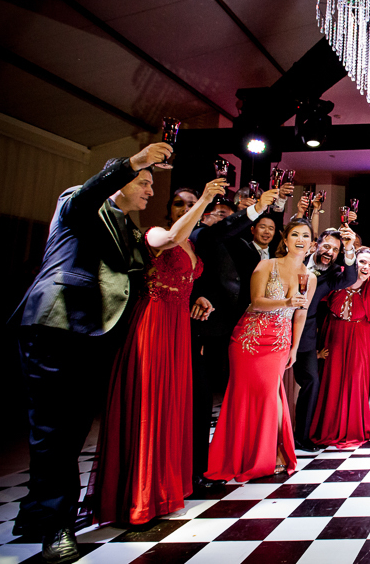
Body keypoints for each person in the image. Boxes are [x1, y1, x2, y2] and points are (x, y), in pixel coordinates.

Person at [10, 144, 170, 562]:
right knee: (54, 429)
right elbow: (87, 197)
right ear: (119, 182)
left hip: (98, 334)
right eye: (144, 182)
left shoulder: (129, 228)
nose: (151, 191)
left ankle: (37, 512)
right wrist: (132, 162)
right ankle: (56, 524)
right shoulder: (78, 201)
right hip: (58, 324)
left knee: (71, 428)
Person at [92, 177, 228, 526]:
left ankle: (165, 488)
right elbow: (169, 240)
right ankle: (139, 497)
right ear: (169, 211)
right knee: (149, 403)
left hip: (179, 325)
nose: (185, 209)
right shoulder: (155, 233)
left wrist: (199, 297)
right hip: (153, 322)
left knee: (172, 405)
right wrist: (204, 201)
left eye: (191, 204)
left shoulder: (192, 246)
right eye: (179, 204)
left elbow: (186, 280)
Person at [207, 219, 315, 481]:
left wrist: (294, 347)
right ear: (285, 239)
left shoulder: (309, 277)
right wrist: (286, 301)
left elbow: (300, 315)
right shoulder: (267, 265)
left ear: (312, 244)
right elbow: (256, 302)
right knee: (243, 397)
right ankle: (241, 454)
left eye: (306, 235)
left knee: (269, 394)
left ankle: (275, 451)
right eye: (295, 234)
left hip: (279, 341)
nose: (300, 239)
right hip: (249, 338)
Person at [189, 190, 279, 491]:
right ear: (205, 217)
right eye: (219, 215)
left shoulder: (244, 247)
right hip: (205, 326)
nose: (226, 221)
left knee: (234, 396)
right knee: (202, 401)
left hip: (238, 328)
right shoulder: (200, 237)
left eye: (229, 216)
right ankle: (198, 467)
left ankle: (236, 454)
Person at [312, 241, 370, 448]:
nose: (366, 267)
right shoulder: (337, 280)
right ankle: (330, 428)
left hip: (359, 337)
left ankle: (353, 428)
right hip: (334, 334)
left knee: (356, 381)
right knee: (333, 380)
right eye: (362, 262)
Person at [293, 226, 359, 450]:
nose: (330, 252)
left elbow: (350, 278)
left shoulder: (332, 274)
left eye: (335, 250)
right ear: (316, 245)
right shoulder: (297, 259)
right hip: (279, 326)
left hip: (306, 334)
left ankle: (301, 437)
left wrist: (349, 249)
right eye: (327, 246)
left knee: (312, 380)